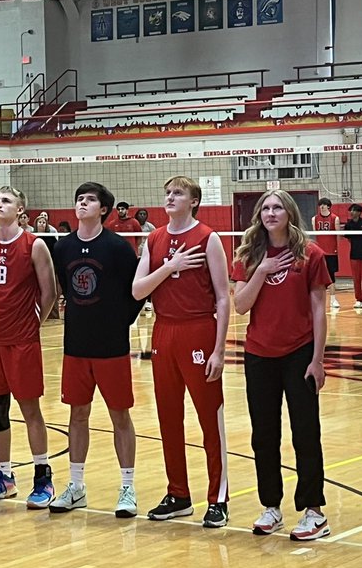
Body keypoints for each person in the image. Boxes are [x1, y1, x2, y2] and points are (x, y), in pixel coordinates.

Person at [133, 175, 231, 528]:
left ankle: (217, 498)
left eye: (178, 193)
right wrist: (170, 266)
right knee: (168, 418)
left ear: (194, 201)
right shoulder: (154, 238)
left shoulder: (208, 238)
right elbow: (137, 290)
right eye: (168, 192)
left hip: (198, 330)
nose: (171, 197)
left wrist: (218, 350)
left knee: (209, 418)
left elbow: (223, 296)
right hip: (164, 332)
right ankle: (178, 494)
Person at [233, 191, 331, 541]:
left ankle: (313, 511)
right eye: (266, 208)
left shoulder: (311, 254)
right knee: (264, 435)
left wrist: (318, 359)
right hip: (259, 354)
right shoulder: (248, 255)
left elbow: (319, 308)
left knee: (305, 433)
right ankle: (271, 506)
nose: (271, 213)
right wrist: (262, 270)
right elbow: (240, 306)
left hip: (299, 353)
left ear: (289, 213)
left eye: (277, 207)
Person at [49, 182, 142, 518]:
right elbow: (65, 286)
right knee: (77, 413)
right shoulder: (63, 247)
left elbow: (137, 290)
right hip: (76, 344)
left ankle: (128, 487)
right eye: (79, 199)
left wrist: (122, 323)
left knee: (120, 415)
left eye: (89, 199)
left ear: (103, 209)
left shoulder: (117, 248)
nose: (82, 203)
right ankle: (76, 486)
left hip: (112, 345)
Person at [0, 185, 57, 508]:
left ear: (21, 210)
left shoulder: (34, 246)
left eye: (6, 200)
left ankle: (42, 475)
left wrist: (33, 326)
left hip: (22, 340)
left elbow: (50, 292)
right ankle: (4, 476)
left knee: (30, 409)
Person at [312, 198, 341, 311]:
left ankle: (333, 299)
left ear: (329, 206)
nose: (322, 207)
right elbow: (315, 234)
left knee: (331, 276)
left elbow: (338, 235)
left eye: (324, 205)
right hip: (320, 252)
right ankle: (320, 300)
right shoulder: (314, 219)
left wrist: (335, 249)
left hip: (331, 252)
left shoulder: (335, 218)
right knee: (319, 278)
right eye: (320, 205)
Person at [344, 204, 362, 308]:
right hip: (354, 254)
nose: (351, 213)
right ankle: (358, 299)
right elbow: (348, 238)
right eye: (350, 210)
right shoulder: (348, 225)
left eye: (353, 211)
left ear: (359, 212)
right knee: (356, 278)